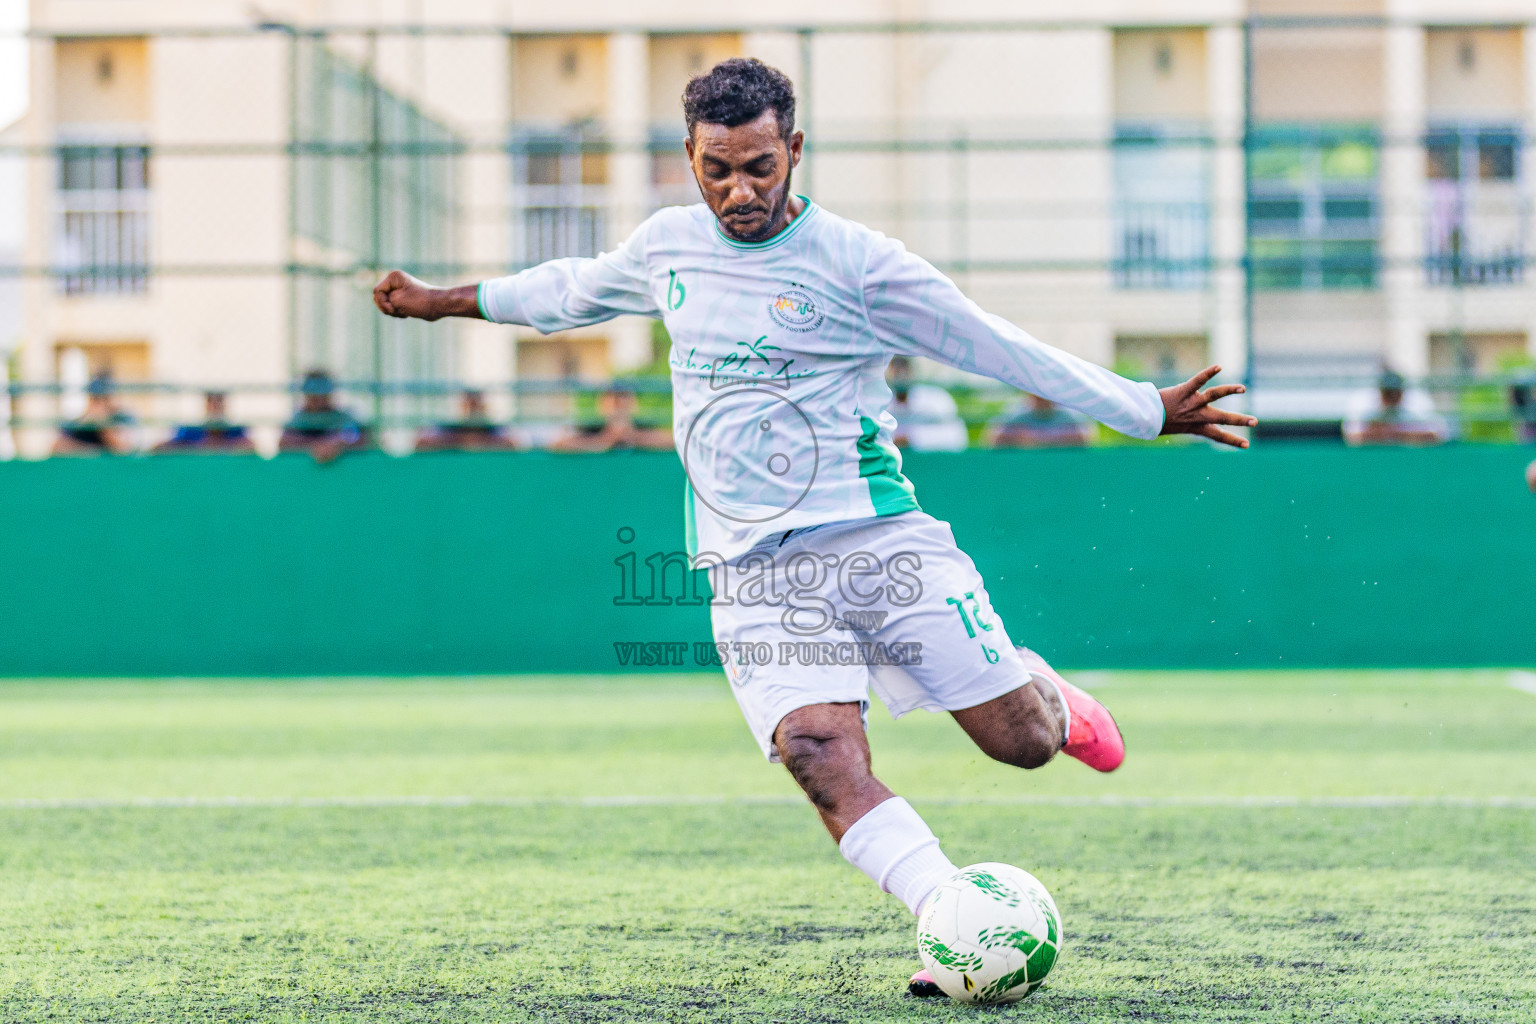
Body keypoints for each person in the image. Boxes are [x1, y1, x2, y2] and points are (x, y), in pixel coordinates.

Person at [372, 58, 1254, 999]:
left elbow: (994, 343)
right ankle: (949, 916)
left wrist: (1142, 408)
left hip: (877, 540)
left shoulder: (861, 264)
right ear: (690, 158)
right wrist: (440, 299)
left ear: (794, 149)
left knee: (1020, 744)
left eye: (759, 166)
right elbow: (567, 291)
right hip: (749, 569)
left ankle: (1049, 697)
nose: (739, 191)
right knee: (815, 753)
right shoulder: (669, 246)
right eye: (717, 169)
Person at [279, 369, 370, 464]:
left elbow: (361, 437)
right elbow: (284, 442)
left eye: (321, 392)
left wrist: (337, 442)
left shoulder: (341, 418)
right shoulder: (298, 420)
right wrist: (314, 445)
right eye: (312, 393)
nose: (317, 398)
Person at [550, 385, 673, 453]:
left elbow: (672, 441)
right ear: (601, 405)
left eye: (623, 398)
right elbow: (559, 444)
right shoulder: (593, 428)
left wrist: (634, 437)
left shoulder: (642, 427)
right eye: (613, 400)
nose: (618, 405)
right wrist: (605, 440)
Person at [1343, 369, 1450, 446]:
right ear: (1381, 393)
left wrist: (1397, 434)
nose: (1392, 398)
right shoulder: (1365, 404)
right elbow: (1353, 436)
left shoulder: (1417, 404)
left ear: (1401, 392)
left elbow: (1438, 433)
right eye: (1388, 394)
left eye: (1395, 393)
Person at [886, 355, 968, 451]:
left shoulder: (937, 399)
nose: (900, 373)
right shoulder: (879, 401)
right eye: (895, 368)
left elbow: (957, 436)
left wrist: (912, 439)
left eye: (903, 366)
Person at [52, 372, 136, 456]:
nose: (101, 404)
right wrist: (94, 451)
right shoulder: (79, 423)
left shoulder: (124, 419)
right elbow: (57, 447)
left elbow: (124, 448)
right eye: (96, 398)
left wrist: (102, 423)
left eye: (106, 398)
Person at [413, 388, 517, 453]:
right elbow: (421, 442)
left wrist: (480, 441)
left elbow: (513, 443)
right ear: (461, 406)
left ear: (484, 407)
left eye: (476, 405)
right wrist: (459, 441)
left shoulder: (494, 430)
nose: (472, 410)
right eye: (469, 405)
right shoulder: (449, 429)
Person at [152, 391, 255, 454]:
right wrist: (196, 447)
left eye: (218, 404)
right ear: (206, 407)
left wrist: (221, 446)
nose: (215, 409)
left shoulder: (235, 431)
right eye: (211, 404)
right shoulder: (191, 431)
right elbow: (160, 448)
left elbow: (250, 446)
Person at [986, 393, 1093, 448]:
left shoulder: (1068, 414)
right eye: (1038, 397)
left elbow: (1086, 438)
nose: (1042, 400)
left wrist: (1037, 440)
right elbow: (994, 439)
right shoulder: (1017, 413)